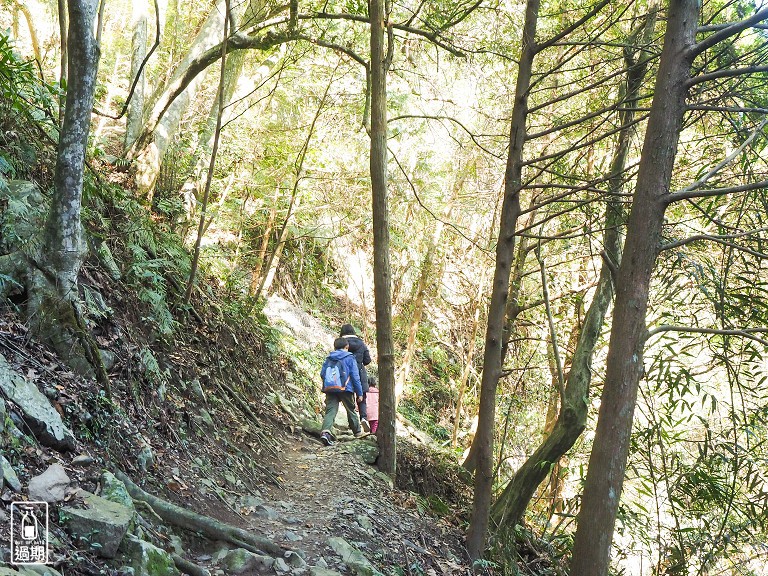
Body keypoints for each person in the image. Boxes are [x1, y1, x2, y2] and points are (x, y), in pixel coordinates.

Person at [319, 337, 365, 446]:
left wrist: (331, 383)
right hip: (346, 388)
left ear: (334, 347)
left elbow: (322, 374)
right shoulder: (350, 358)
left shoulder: (329, 358)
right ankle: (357, 432)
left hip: (330, 388)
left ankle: (325, 432)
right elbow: (355, 376)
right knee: (350, 409)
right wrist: (359, 393)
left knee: (330, 411)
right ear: (347, 347)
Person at [340, 324, 372, 431]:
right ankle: (363, 417)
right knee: (362, 397)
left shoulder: (341, 343)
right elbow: (367, 360)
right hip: (359, 372)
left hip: (345, 373)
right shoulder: (361, 343)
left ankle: (352, 423)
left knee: (349, 398)